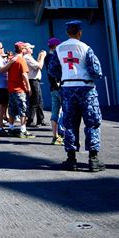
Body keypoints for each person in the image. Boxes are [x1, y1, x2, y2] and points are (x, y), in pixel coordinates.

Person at [48, 20, 105, 172]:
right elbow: (97, 71)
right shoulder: (86, 48)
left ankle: (71, 158)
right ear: (80, 32)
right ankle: (93, 159)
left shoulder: (59, 49)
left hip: (67, 88)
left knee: (70, 123)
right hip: (86, 88)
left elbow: (52, 70)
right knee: (92, 122)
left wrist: (65, 75)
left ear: (67, 33)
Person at [7, 42, 34, 138]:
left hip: (11, 89)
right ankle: (23, 130)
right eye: (25, 48)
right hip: (20, 89)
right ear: (22, 49)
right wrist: (28, 88)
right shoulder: (21, 60)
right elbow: (24, 75)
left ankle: (11, 128)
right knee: (23, 109)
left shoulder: (12, 60)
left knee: (12, 110)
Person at [44, 38, 64, 145]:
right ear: (56, 46)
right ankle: (62, 134)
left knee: (55, 111)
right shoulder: (55, 57)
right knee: (64, 110)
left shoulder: (47, 57)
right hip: (60, 86)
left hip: (52, 87)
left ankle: (55, 136)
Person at [23, 43, 47, 127]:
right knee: (35, 100)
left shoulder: (29, 57)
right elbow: (39, 66)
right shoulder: (27, 57)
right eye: (30, 48)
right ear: (26, 49)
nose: (32, 49)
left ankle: (40, 119)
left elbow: (37, 64)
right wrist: (42, 56)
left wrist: (40, 58)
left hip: (35, 80)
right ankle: (30, 120)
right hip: (32, 80)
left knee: (39, 100)